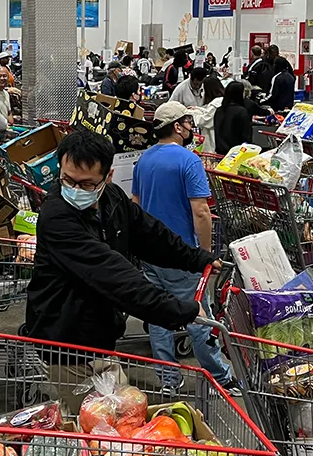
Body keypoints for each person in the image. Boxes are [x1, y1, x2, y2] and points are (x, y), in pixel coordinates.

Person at [23, 130, 218, 376]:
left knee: (118, 409)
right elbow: (112, 274)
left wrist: (197, 258)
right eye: (67, 180)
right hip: (65, 342)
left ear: (108, 177)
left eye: (86, 184)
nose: (74, 189)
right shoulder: (57, 218)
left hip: (101, 333)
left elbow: (150, 235)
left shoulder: (112, 198)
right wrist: (179, 310)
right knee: (103, 411)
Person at [129, 102, 233, 388]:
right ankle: (222, 376)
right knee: (198, 315)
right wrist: (205, 254)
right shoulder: (189, 161)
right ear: (177, 126)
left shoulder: (144, 160)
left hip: (150, 253)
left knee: (159, 316)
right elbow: (200, 212)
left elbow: (135, 206)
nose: (190, 127)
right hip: (181, 256)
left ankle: (167, 379)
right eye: (188, 121)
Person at [205, 79, 254, 153]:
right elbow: (246, 136)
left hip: (220, 152)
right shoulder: (242, 111)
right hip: (237, 153)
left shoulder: (219, 110)